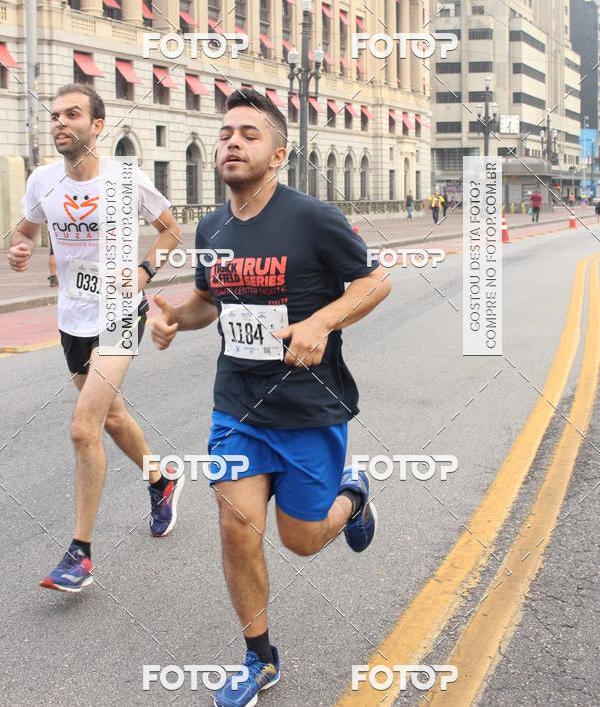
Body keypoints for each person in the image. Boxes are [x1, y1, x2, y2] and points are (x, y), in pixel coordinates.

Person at [151, 88, 391, 707]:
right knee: (235, 529)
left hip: (309, 410)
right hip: (238, 409)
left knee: (302, 540)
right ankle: (260, 659)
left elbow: (374, 282)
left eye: (249, 134)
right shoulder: (213, 226)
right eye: (226, 132)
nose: (232, 141)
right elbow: (210, 300)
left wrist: (321, 324)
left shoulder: (312, 218)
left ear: (279, 154)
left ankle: (353, 495)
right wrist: (178, 315)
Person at [8, 84, 184, 592]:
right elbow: (25, 230)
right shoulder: (43, 180)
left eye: (72, 114)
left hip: (119, 314)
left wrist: (145, 271)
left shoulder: (125, 179)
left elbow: (170, 229)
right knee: (111, 415)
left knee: (84, 427)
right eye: (55, 115)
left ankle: (79, 555)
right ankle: (161, 479)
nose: (60, 122)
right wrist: (20, 249)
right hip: (73, 319)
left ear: (98, 126)